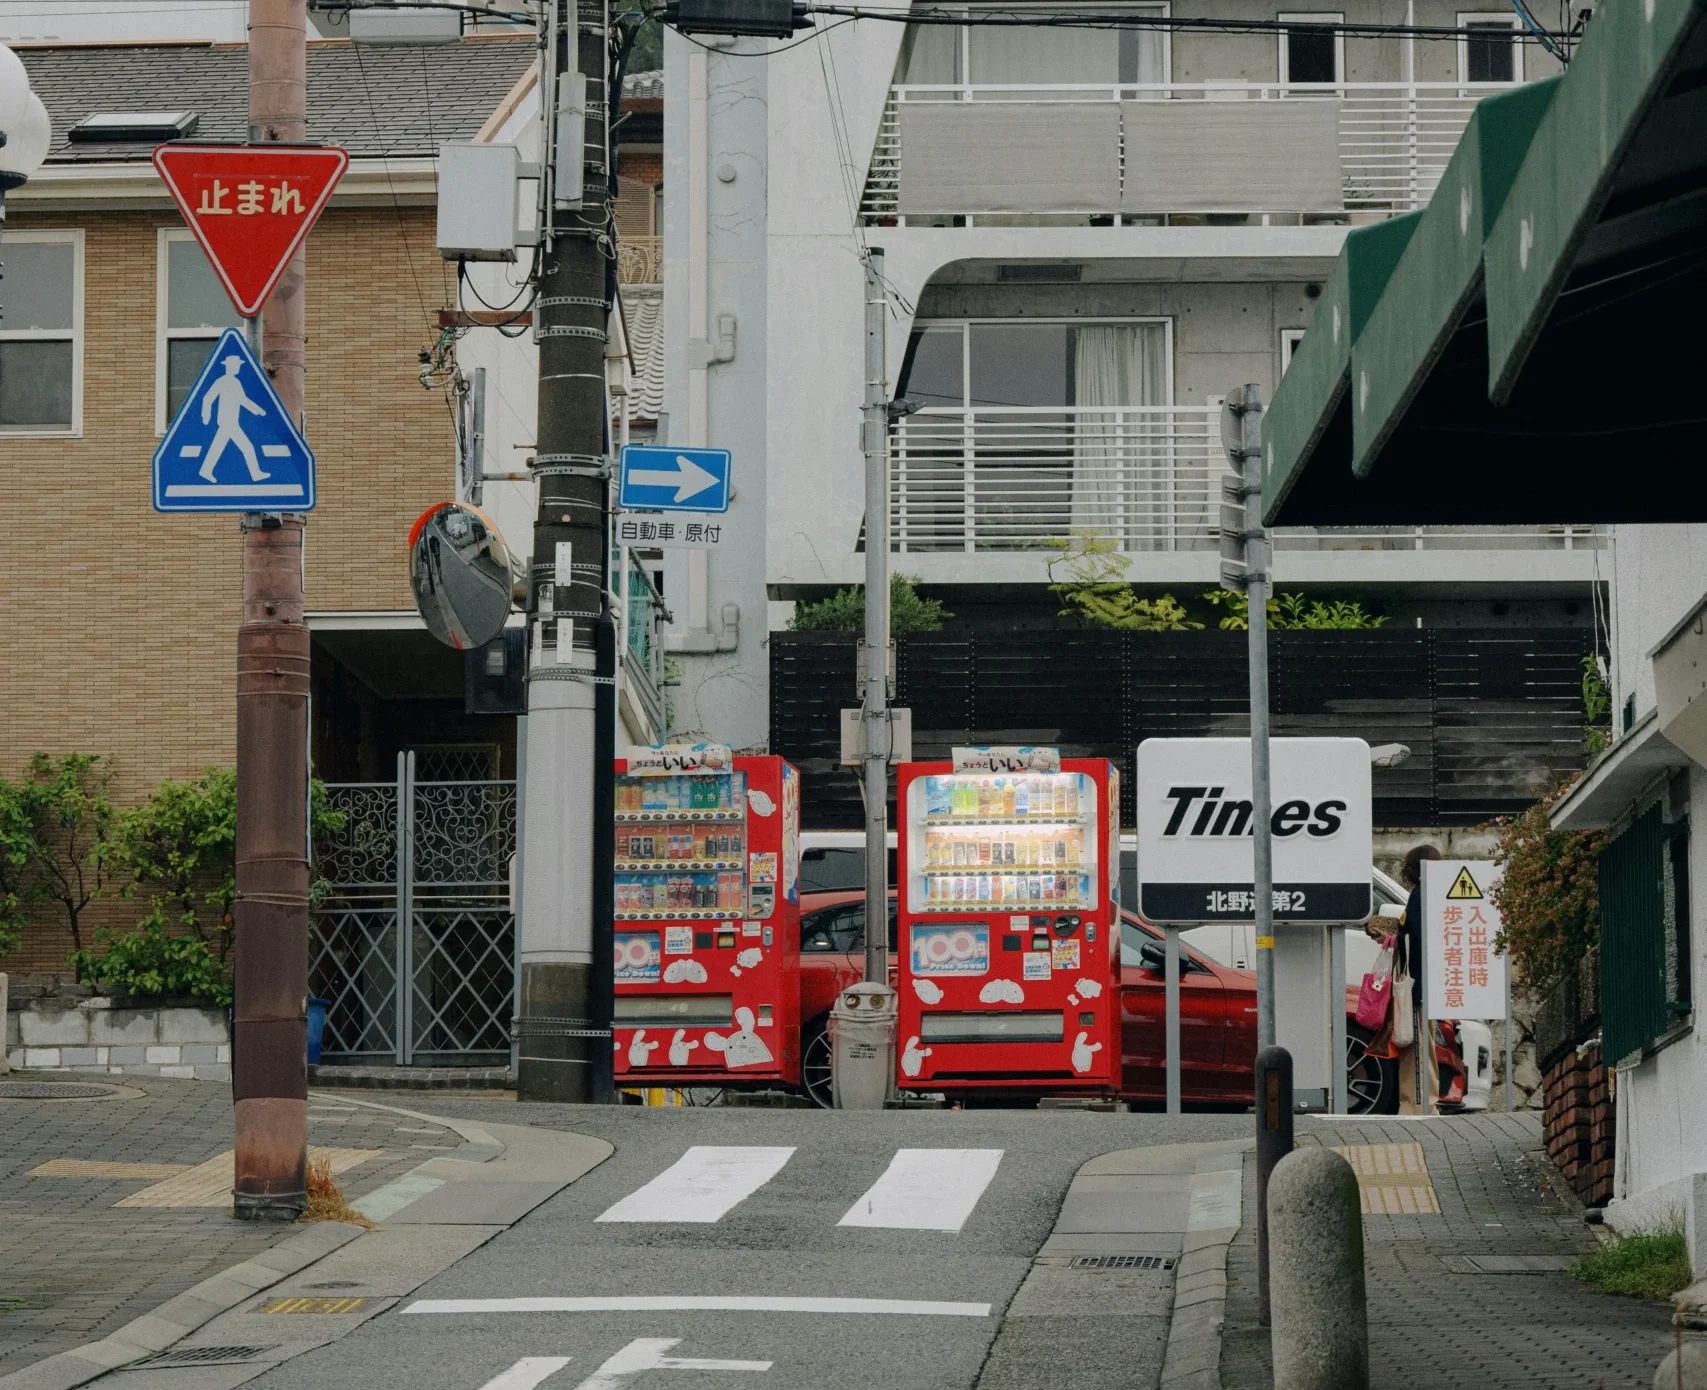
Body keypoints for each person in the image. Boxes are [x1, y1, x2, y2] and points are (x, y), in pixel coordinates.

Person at [1394, 843, 1440, 1113]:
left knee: (1417, 1047)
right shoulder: (1436, 895)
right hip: (1431, 982)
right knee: (1424, 1045)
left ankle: (1419, 1104)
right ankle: (1422, 1102)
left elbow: (1416, 939)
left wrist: (1395, 938)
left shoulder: (1419, 896)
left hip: (1419, 983)